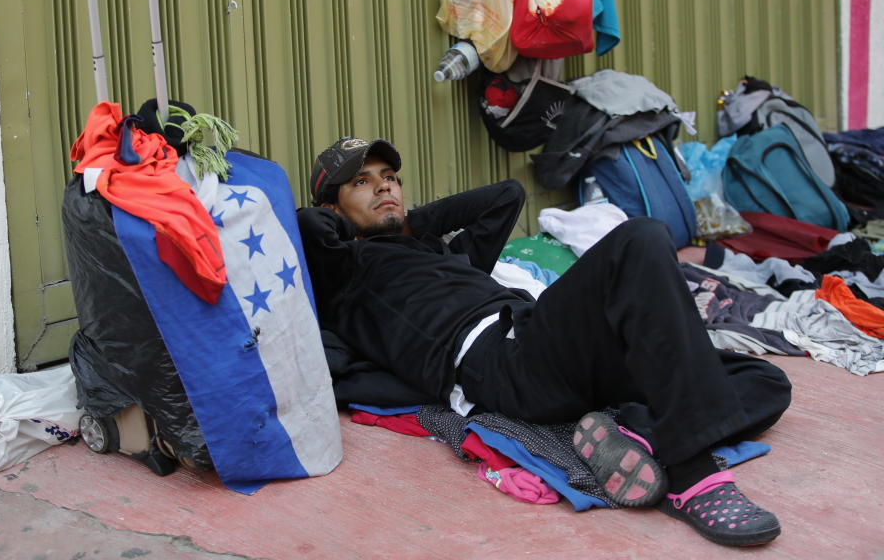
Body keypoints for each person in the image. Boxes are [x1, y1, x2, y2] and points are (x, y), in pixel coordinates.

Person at [297, 136, 792, 547]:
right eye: (361, 182)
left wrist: (411, 222)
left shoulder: (441, 251)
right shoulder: (345, 273)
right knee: (639, 239)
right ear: (331, 204)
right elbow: (305, 226)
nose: (384, 187)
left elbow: (506, 196)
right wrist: (344, 227)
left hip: (542, 341)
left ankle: (639, 434)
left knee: (763, 379)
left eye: (390, 179)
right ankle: (690, 473)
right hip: (500, 362)